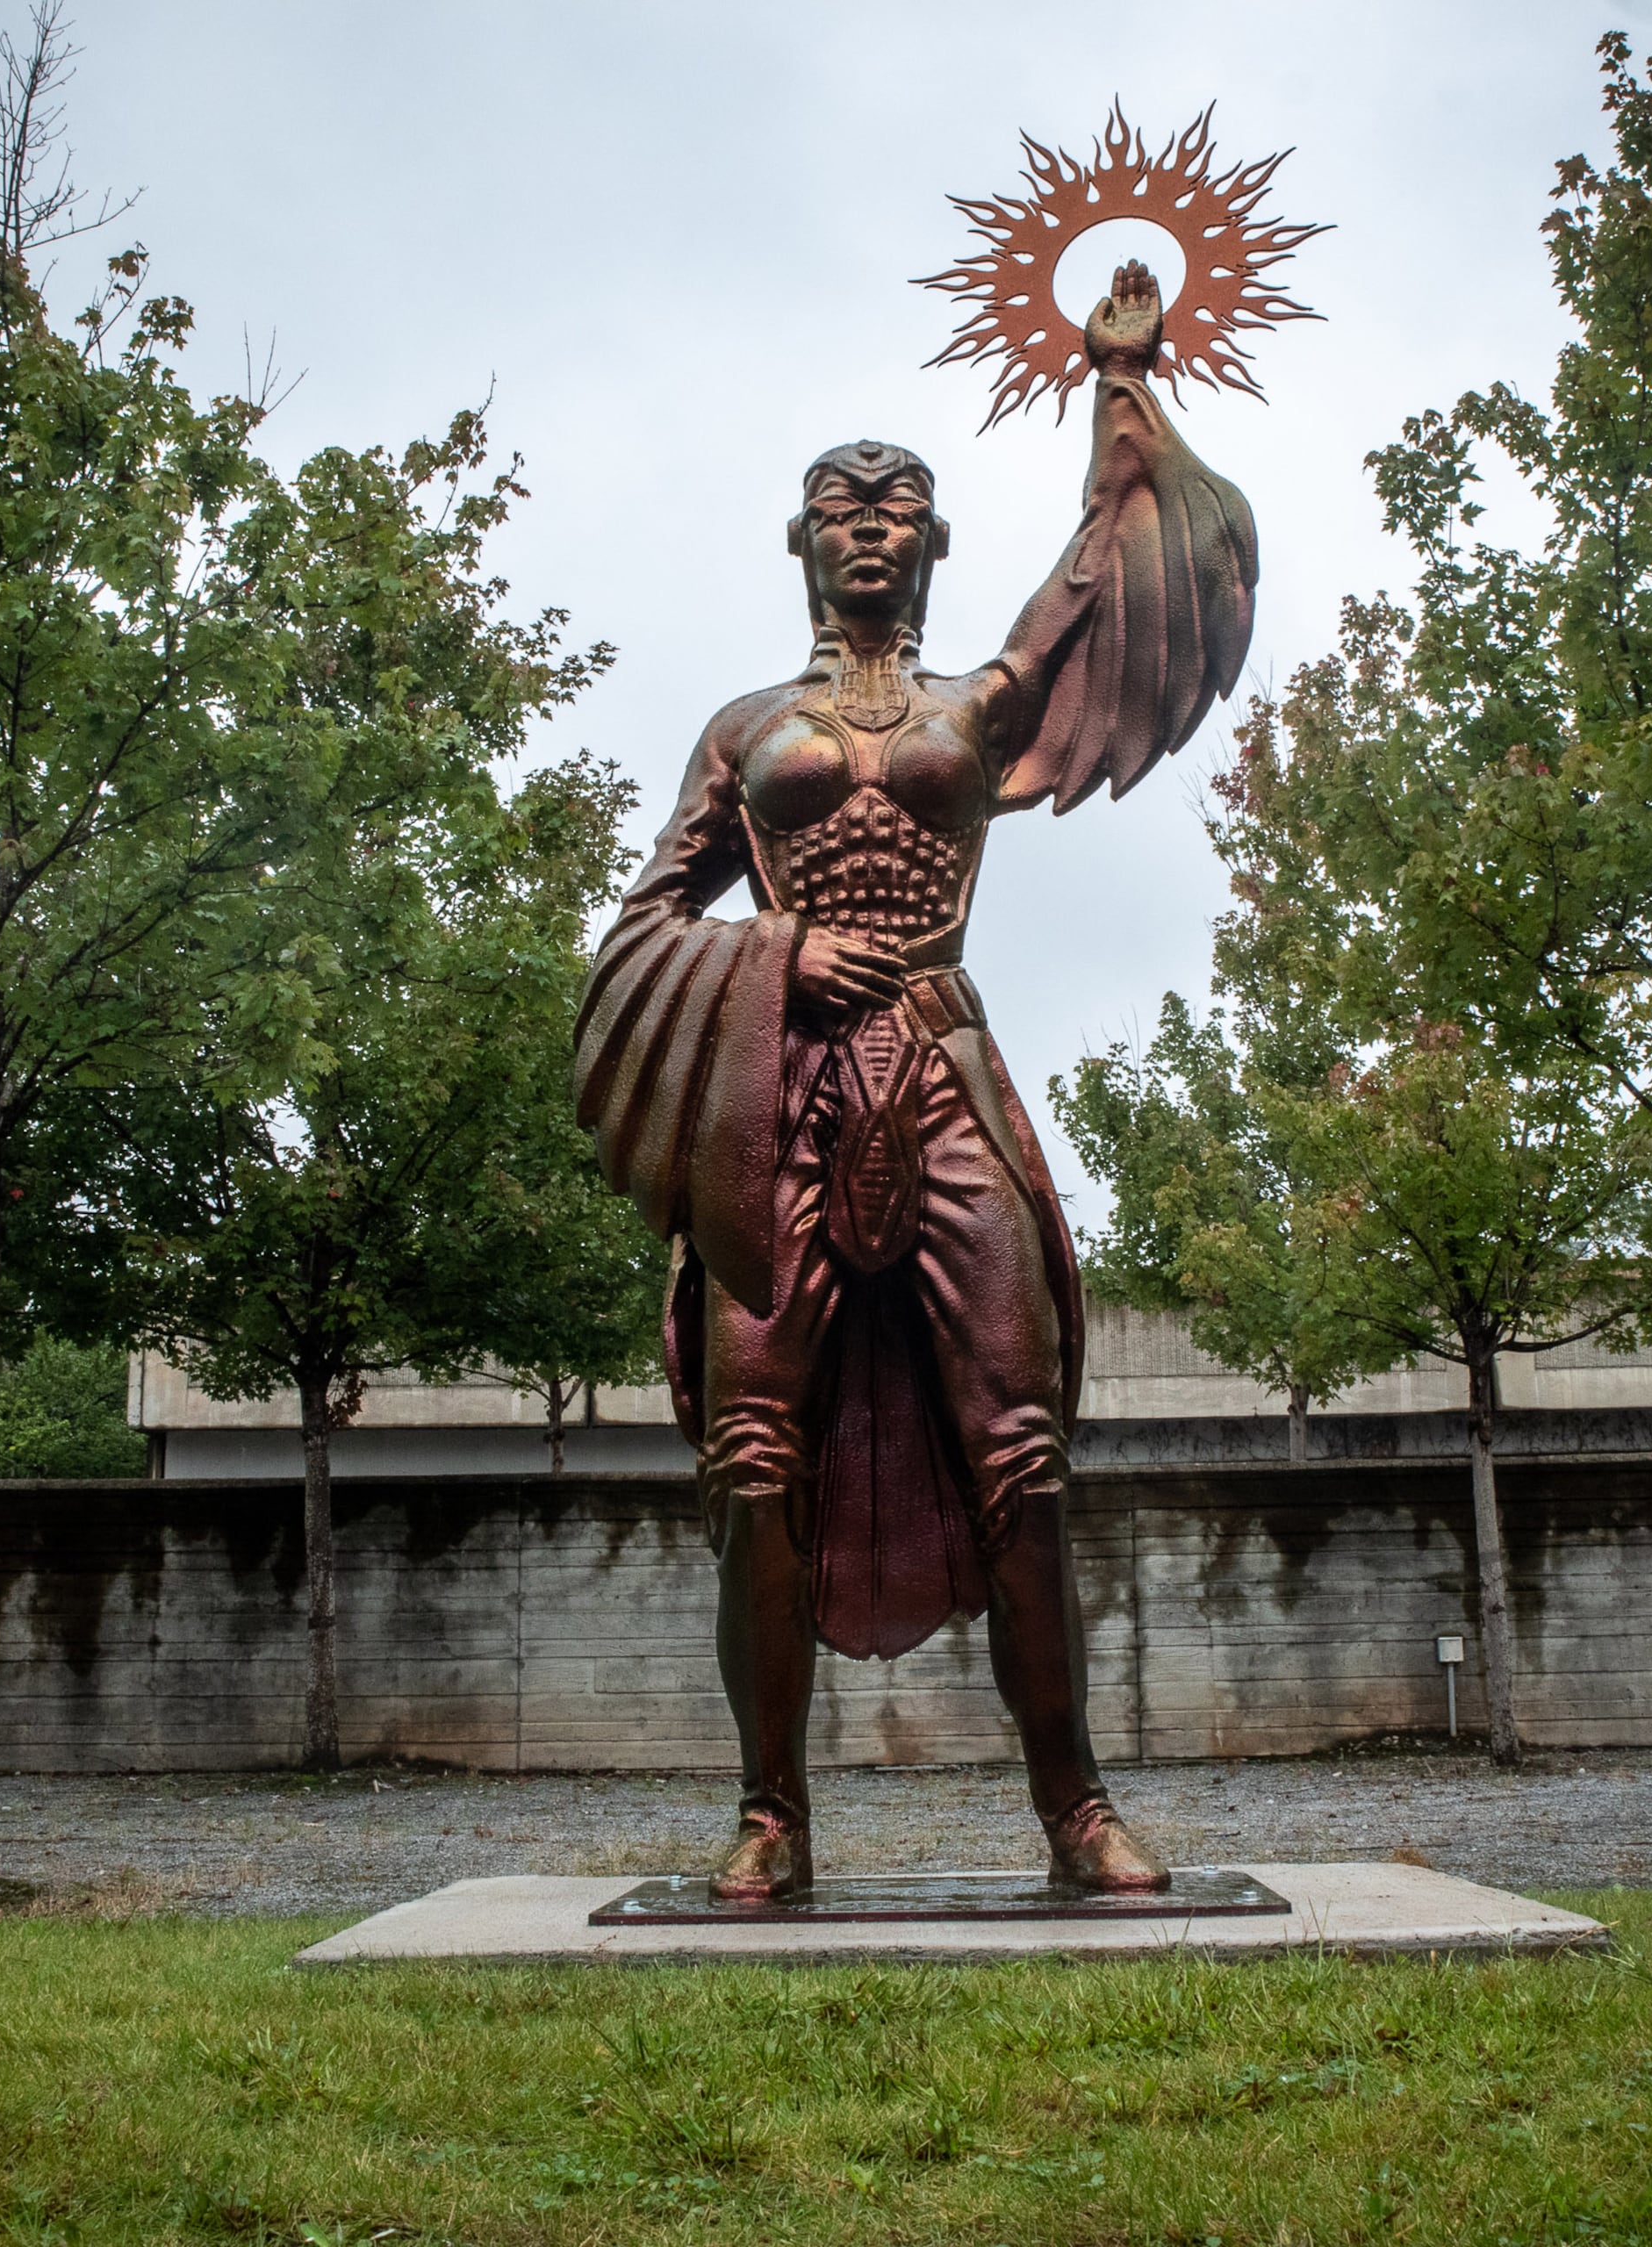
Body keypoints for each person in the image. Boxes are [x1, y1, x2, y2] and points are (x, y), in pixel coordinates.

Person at [573, 263, 1256, 1899]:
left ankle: (1074, 1808)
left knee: (1019, 1445)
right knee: (755, 1455)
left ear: (933, 545)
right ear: (802, 545)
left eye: (898, 510)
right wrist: (771, 957)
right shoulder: (745, 733)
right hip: (780, 1091)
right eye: (838, 509)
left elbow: (1099, 572)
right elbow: (639, 925)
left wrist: (1123, 384)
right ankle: (770, 1818)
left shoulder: (979, 709)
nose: (869, 528)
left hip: (942, 1070)